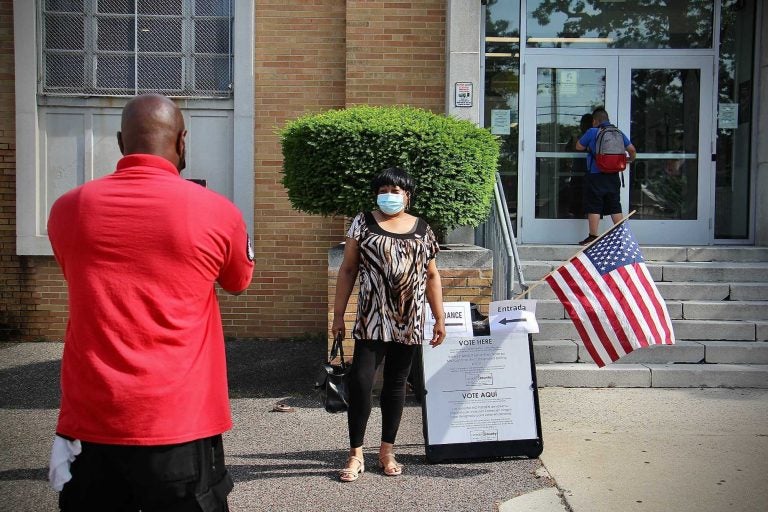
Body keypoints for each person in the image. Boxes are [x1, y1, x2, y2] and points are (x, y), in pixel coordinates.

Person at [47, 94, 254, 511]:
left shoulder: (68, 209)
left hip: (91, 423)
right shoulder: (218, 212)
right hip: (181, 422)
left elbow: (75, 273)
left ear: (122, 142)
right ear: (183, 142)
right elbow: (238, 282)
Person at [331, 167, 446, 482]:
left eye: (396, 190)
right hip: (371, 318)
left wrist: (439, 316)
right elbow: (348, 268)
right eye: (384, 190)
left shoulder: (422, 229)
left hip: (408, 320)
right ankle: (355, 454)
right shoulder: (363, 222)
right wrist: (338, 314)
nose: (390, 195)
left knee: (397, 384)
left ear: (407, 195)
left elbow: (432, 275)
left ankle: (386, 450)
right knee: (361, 383)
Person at [575, 107, 637, 245]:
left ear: (595, 121)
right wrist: (629, 160)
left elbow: (578, 146)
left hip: (596, 175)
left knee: (594, 205)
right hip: (613, 175)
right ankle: (623, 237)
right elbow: (632, 150)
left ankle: (592, 237)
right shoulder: (618, 133)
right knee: (615, 205)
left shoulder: (592, 131)